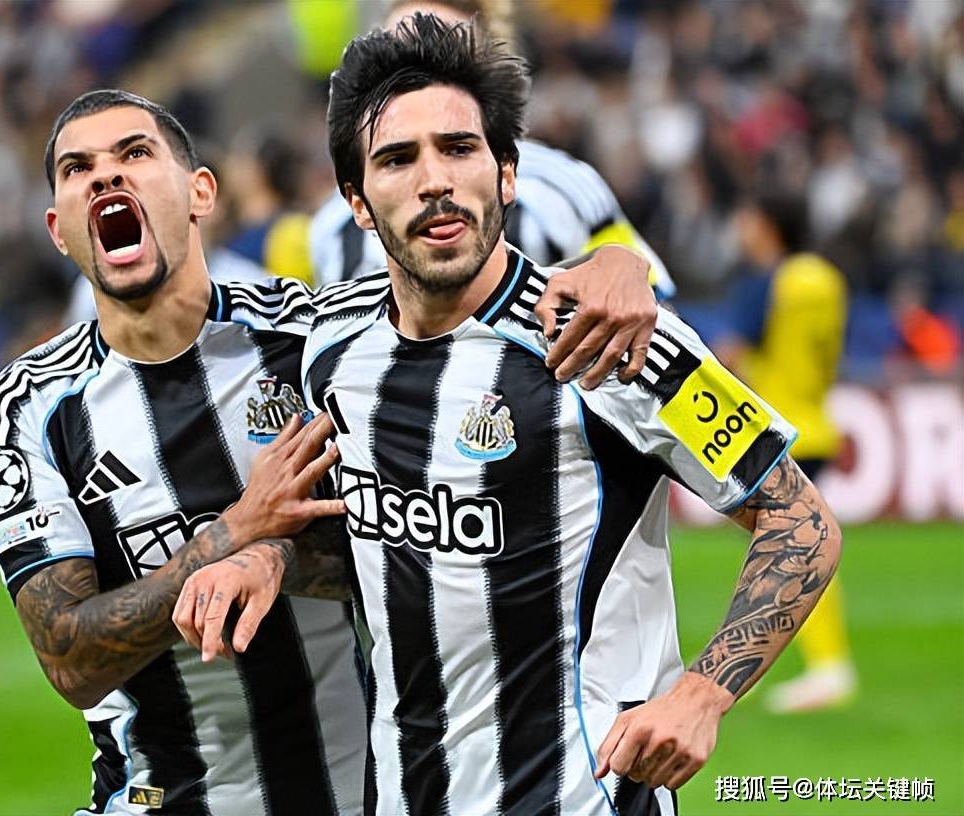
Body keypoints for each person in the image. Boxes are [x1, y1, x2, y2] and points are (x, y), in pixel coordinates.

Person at [175, 16, 843, 816]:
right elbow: (371, 545)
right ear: (357, 202)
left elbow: (801, 522)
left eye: (459, 148)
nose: (434, 179)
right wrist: (267, 559)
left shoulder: (611, 336)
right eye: (397, 159)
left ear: (506, 175)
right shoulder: (331, 345)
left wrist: (703, 693)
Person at [0, 87, 660, 814]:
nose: (106, 176)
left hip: (353, 796)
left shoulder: (315, 337)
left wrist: (618, 263)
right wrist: (234, 532)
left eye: (134, 153)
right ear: (58, 228)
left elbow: (468, 289)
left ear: (201, 192)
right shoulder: (31, 407)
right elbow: (71, 661)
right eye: (78, 168)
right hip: (154, 797)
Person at [308, 0, 678, 313]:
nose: (419, 79)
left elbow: (647, 305)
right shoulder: (332, 228)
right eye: (399, 54)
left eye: (445, 54)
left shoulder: (563, 187)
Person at [718, 189, 857, 713]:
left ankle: (828, 666)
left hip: (775, 428)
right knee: (797, 538)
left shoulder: (767, 281)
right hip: (817, 417)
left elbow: (732, 355)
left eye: (748, 217)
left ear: (767, 225)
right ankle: (805, 664)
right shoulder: (824, 277)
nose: (741, 227)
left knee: (793, 547)